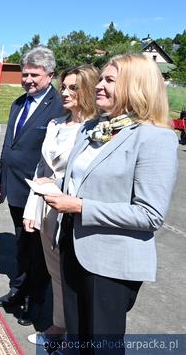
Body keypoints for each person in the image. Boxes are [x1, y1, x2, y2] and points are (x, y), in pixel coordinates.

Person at [44, 54, 178, 353]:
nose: (99, 86)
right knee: (76, 341)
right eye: (101, 79)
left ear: (136, 86)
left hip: (111, 264)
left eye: (109, 80)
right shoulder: (92, 129)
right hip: (72, 247)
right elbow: (82, 182)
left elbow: (150, 215)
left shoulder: (154, 138)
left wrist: (79, 206)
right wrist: (53, 188)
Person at [22, 65, 100, 346]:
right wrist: (33, 209)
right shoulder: (56, 123)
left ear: (89, 89)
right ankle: (59, 326)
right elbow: (42, 168)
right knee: (55, 272)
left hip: (74, 212)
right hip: (47, 210)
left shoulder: (98, 129)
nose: (65, 92)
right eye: (63, 87)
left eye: (73, 88)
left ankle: (78, 334)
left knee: (76, 279)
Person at [0, 46, 63, 326]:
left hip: (39, 195)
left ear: (50, 75)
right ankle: (18, 290)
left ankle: (36, 301)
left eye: (35, 74)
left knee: (39, 251)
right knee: (22, 245)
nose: (28, 79)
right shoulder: (18, 103)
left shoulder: (59, 107)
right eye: (25, 74)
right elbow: (8, 146)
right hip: (15, 189)